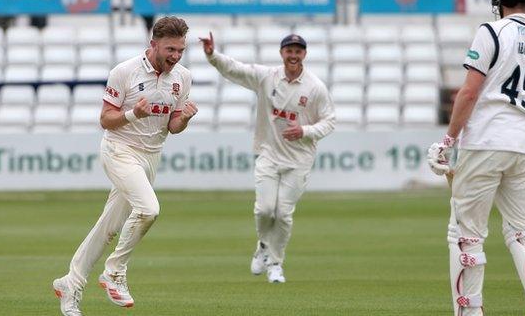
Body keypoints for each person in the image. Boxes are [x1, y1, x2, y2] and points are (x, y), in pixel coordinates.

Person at [426, 0, 525, 315]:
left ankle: (469, 311)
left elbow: (470, 92)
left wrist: (448, 139)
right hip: (524, 149)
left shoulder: (491, 31)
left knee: (466, 233)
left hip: (485, 141)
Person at [53, 16, 198, 316]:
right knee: (148, 209)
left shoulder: (182, 77)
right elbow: (105, 119)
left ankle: (71, 284)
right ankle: (114, 272)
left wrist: (184, 118)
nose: (175, 56)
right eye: (170, 49)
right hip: (119, 150)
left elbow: (172, 126)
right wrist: (134, 114)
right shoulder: (125, 72)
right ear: (153, 44)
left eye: (180, 50)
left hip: (150, 156)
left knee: (107, 228)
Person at [200, 32, 335, 283]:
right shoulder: (267, 77)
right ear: (282, 53)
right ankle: (263, 245)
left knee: (283, 214)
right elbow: (236, 70)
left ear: (304, 54)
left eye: (298, 51)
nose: (293, 55)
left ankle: (275, 264)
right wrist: (212, 55)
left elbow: (329, 120)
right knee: (264, 210)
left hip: (299, 159)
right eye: (289, 50)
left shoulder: (315, 87)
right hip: (268, 154)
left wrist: (305, 131)